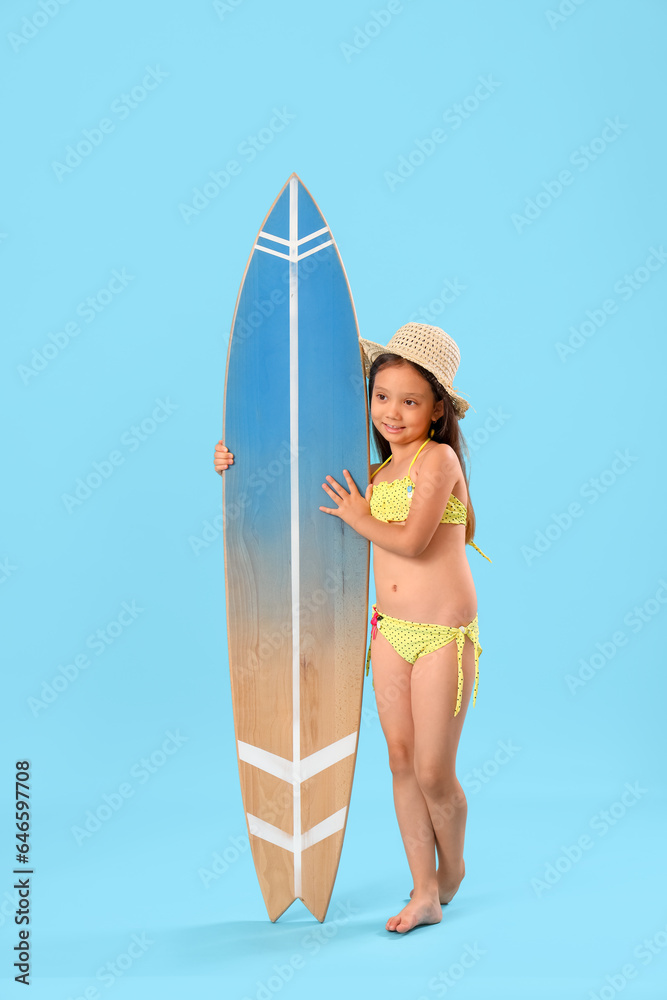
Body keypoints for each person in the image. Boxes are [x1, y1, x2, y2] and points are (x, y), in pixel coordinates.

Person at [213, 322, 491, 934]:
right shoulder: (374, 472)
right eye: (382, 396)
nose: (392, 412)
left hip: (442, 634)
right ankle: (424, 892)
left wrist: (361, 517)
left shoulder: (438, 460)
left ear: (438, 409)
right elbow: (294, 481)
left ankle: (456, 865)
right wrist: (235, 461)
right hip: (389, 632)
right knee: (398, 759)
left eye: (411, 400)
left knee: (433, 771)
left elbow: (414, 542)